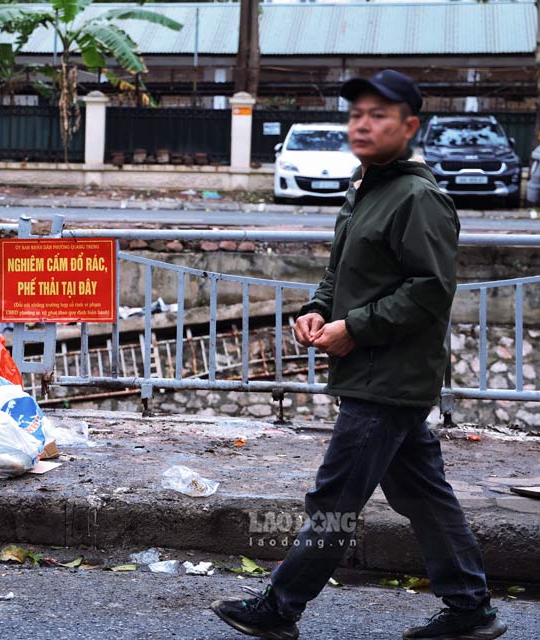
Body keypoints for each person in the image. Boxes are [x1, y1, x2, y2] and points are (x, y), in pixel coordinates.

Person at [210, 70, 507, 640]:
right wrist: (319, 310)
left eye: (378, 115)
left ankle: (280, 606)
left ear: (410, 126)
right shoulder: (368, 185)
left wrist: (357, 329)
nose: (362, 125)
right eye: (355, 115)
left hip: (389, 374)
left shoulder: (418, 197)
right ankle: (471, 609)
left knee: (335, 495)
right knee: (422, 493)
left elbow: (428, 290)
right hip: (374, 370)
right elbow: (341, 272)